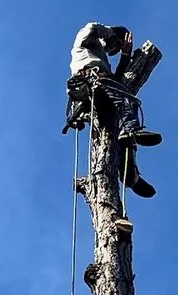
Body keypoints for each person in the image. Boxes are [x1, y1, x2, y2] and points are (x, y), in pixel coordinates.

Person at [63, 23, 161, 198]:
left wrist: (125, 56)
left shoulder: (100, 59)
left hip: (97, 87)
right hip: (87, 83)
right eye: (114, 46)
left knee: (117, 132)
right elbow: (92, 27)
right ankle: (131, 129)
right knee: (126, 100)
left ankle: (130, 175)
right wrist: (113, 36)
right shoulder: (84, 41)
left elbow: (116, 81)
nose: (111, 50)